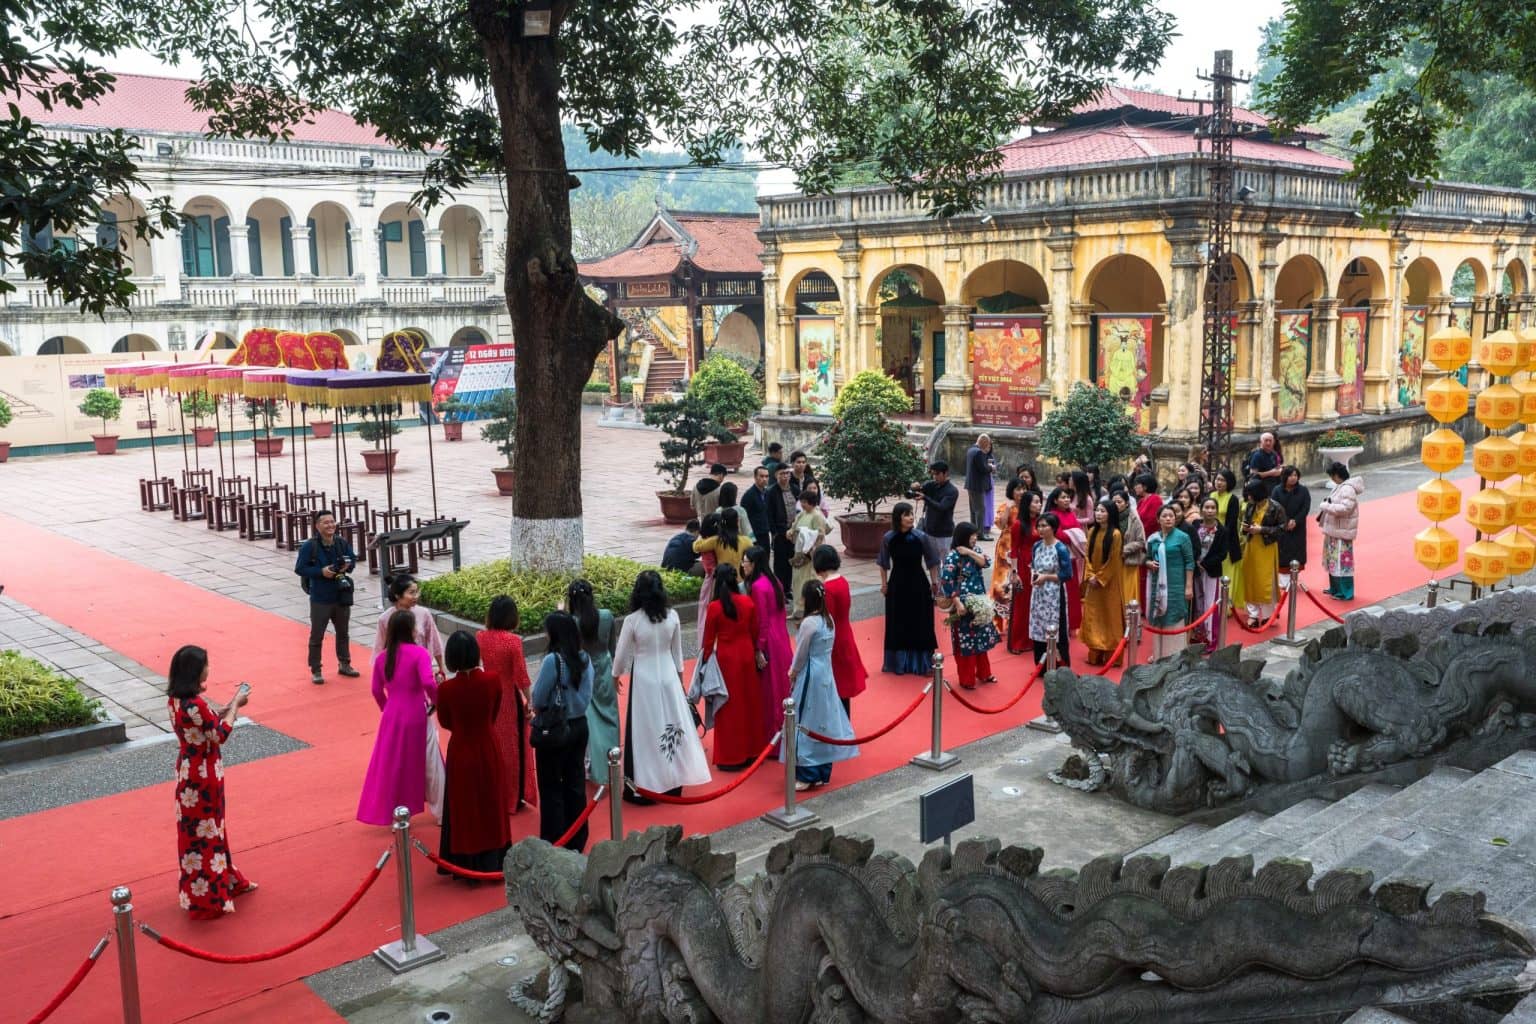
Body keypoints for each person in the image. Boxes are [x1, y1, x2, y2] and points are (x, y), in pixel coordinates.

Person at [167, 645, 253, 919]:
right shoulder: (196, 704)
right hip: (204, 775)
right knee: (209, 831)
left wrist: (224, 709)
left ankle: (221, 880)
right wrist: (236, 707)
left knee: (203, 832)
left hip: (188, 771)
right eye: (206, 663)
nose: (208, 668)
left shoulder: (177, 701)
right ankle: (211, 892)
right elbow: (219, 735)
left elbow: (202, 725)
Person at [613, 571, 710, 803]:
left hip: (644, 681)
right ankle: (673, 781)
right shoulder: (672, 616)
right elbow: (677, 655)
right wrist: (679, 682)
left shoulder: (633, 620)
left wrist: (615, 675)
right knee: (672, 726)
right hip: (668, 677)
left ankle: (646, 784)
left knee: (646, 732)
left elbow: (621, 656)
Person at [434, 630, 510, 877]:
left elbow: (445, 721)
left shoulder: (446, 689)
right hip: (488, 745)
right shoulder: (492, 680)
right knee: (491, 800)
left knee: (464, 806)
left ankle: (466, 860)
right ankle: (494, 857)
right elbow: (494, 711)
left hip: (461, 749)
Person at [358, 609, 440, 826]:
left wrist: (387, 708)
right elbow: (428, 682)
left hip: (392, 716)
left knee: (393, 765)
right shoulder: (419, 653)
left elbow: (376, 690)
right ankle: (441, 811)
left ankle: (396, 812)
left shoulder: (383, 657)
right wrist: (437, 701)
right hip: (416, 714)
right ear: (411, 629)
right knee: (432, 761)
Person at [785, 579, 858, 790]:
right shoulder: (829, 620)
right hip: (826, 672)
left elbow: (801, 653)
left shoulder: (809, 623)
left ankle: (807, 772)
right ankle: (821, 771)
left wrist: (793, 672)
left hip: (810, 673)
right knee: (823, 721)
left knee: (805, 719)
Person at [530, 612, 593, 849]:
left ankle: (554, 837)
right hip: (580, 724)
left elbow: (538, 697)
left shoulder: (553, 661)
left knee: (551, 784)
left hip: (556, 728)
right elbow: (588, 693)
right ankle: (577, 835)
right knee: (575, 781)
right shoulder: (584, 658)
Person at [699, 564, 766, 769]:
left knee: (728, 708)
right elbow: (755, 631)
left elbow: (708, 641)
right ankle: (752, 750)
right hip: (745, 654)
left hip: (726, 659)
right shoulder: (747, 602)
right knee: (750, 703)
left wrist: (704, 664)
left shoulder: (715, 607)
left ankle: (731, 755)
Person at [477, 596, 536, 813]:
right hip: (509, 699)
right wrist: (530, 701)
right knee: (512, 747)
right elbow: (521, 676)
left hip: (488, 697)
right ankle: (513, 796)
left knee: (493, 744)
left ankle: (495, 794)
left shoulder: (481, 637)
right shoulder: (513, 641)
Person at [295, 509, 359, 685]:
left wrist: (347, 566)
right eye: (326, 522)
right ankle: (316, 669)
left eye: (332, 522)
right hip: (320, 597)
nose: (330, 525)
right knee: (317, 635)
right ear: (317, 526)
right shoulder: (310, 546)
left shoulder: (341, 542)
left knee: (343, 632)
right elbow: (300, 569)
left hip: (341, 595)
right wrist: (321, 572)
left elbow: (353, 559)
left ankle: (345, 664)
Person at [877, 501, 940, 674]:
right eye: (906, 514)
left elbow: (933, 561)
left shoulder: (921, 537)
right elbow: (882, 563)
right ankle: (897, 663)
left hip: (919, 584)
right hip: (896, 585)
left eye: (911, 514)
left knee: (921, 622)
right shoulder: (888, 538)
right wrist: (884, 584)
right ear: (898, 517)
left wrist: (935, 583)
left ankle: (924, 664)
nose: (911, 517)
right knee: (898, 622)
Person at [566, 579, 618, 785]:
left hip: (582, 672)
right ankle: (611, 761)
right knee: (609, 716)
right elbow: (612, 648)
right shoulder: (606, 616)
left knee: (589, 721)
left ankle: (592, 765)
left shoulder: (572, 622)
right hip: (604, 667)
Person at [939, 523, 1001, 688]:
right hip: (963, 605)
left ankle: (984, 673)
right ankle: (967, 679)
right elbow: (946, 581)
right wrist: (957, 603)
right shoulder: (952, 557)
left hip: (979, 603)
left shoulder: (976, 551)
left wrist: (970, 552)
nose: (974, 538)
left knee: (981, 639)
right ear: (962, 536)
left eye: (975, 535)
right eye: (971, 535)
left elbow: (986, 563)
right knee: (965, 642)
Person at [743, 545, 794, 740]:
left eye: (745, 561)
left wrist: (759, 649)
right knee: (782, 686)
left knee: (770, 691)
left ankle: (772, 735)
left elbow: (761, 621)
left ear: (754, 564)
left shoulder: (756, 587)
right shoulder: (775, 582)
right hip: (781, 636)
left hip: (769, 640)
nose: (743, 565)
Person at [813, 545, 867, 712]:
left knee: (836, 682)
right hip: (845, 633)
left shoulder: (828, 588)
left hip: (834, 638)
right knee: (843, 683)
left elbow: (827, 619)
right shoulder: (842, 581)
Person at [1146, 504, 1196, 661]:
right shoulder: (1153, 538)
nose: (1168, 519)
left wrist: (1188, 586)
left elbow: (1190, 562)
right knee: (1158, 616)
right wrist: (1148, 563)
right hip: (1157, 584)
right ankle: (1159, 654)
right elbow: (1147, 557)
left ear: (1176, 518)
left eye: (1171, 516)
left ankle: (1174, 656)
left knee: (1173, 615)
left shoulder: (1182, 537)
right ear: (1158, 519)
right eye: (1164, 516)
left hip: (1176, 584)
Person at [373, 574, 446, 679]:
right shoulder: (384, 619)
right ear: (398, 595)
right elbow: (380, 648)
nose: (416, 596)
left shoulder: (424, 613)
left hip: (422, 669)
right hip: (397, 671)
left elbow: (434, 641)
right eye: (411, 593)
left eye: (416, 592)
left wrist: (441, 669)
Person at [1080, 501, 1125, 667]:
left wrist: (1099, 578)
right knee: (1093, 615)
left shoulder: (1115, 535)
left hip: (1109, 583)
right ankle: (1095, 654)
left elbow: (1114, 561)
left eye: (1102, 511)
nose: (1098, 514)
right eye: (1097, 510)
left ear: (1110, 514)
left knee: (1109, 616)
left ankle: (1111, 656)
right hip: (1093, 582)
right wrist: (1091, 575)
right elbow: (1087, 556)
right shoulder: (1092, 531)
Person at [1240, 477, 1286, 628]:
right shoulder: (1250, 506)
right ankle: (1252, 614)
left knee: (1266, 582)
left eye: (1250, 493)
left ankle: (1267, 615)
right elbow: (1246, 523)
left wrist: (1262, 530)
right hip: (1252, 545)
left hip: (1267, 547)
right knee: (1250, 579)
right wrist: (1246, 528)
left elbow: (1282, 528)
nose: (1248, 497)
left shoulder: (1275, 507)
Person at [1028, 513, 1072, 668]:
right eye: (1039, 526)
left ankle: (1060, 665)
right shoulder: (1037, 546)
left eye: (1044, 526)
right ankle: (1041, 665)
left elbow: (1067, 574)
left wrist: (1046, 577)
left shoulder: (1060, 548)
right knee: (1038, 625)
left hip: (1054, 593)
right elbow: (1033, 565)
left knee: (1055, 627)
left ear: (1053, 528)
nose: (1041, 529)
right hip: (1038, 593)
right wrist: (1034, 575)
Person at [1318, 462, 1363, 600]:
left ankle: (1344, 592)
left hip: (1341, 531)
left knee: (1342, 563)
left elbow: (1345, 509)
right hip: (1336, 529)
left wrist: (1326, 506)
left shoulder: (1347, 489)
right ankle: (1336, 588)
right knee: (1334, 561)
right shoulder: (1342, 487)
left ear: (1337, 475)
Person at [1006, 490, 1044, 655]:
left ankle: (1033, 639)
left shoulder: (1041, 522)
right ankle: (1017, 642)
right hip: (1023, 565)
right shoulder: (1018, 524)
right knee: (1022, 604)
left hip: (1040, 563)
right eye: (1035, 502)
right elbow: (1014, 549)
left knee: (1035, 603)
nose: (1039, 505)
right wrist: (1014, 572)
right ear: (1027, 504)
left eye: (1040, 502)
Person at [1046, 486, 1086, 632]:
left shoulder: (1071, 514)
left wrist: (1071, 535)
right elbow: (1056, 533)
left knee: (1072, 589)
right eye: (1063, 497)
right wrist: (1071, 535)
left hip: (1071, 556)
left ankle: (1072, 622)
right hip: (1057, 555)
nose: (1067, 500)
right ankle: (1058, 622)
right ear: (1055, 500)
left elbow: (1078, 530)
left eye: (1068, 497)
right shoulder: (1051, 514)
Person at [1194, 497, 1231, 650]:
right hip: (1195, 570)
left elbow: (1223, 554)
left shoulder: (1222, 531)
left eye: (1212, 508)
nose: (1209, 511)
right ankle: (1198, 635)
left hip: (1211, 571)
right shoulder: (1195, 525)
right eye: (1206, 507)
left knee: (1210, 604)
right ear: (1201, 509)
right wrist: (1195, 562)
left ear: (1216, 510)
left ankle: (1211, 639)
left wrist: (1204, 564)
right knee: (1198, 603)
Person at [789, 491, 830, 618]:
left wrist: (812, 549)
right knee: (796, 581)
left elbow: (820, 534)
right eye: (801, 502)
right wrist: (790, 532)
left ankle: (809, 608)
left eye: (804, 502)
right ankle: (797, 609)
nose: (802, 504)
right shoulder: (801, 514)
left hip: (810, 553)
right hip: (799, 551)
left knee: (808, 581)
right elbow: (793, 527)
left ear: (811, 502)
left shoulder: (817, 516)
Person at [990, 480, 1022, 632]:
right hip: (1005, 547)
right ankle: (998, 622)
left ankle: (1014, 621)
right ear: (1011, 491)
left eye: (1023, 489)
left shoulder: (1028, 507)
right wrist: (1008, 510)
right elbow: (1001, 526)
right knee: (1001, 584)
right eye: (1018, 489)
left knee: (1017, 583)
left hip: (1021, 546)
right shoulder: (1005, 506)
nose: (1021, 492)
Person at [1212, 468, 1246, 611]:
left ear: (1229, 483)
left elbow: (1231, 523)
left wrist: (1219, 536)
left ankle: (1226, 605)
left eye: (1222, 480)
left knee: (1226, 574)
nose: (1219, 483)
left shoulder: (1232, 499)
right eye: (1217, 479)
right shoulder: (1211, 495)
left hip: (1226, 541)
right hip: (1210, 539)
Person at [1110, 489, 1147, 622]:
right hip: (1112, 564)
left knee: (1129, 596)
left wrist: (1123, 549)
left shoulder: (1134, 519)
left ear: (1126, 503)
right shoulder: (1109, 518)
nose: (1116, 505)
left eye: (1119, 502)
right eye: (1114, 502)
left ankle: (1132, 628)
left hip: (1129, 564)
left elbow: (1141, 541)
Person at [915, 460, 959, 566]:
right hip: (930, 530)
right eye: (933, 474)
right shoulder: (931, 485)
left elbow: (942, 507)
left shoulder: (952, 491)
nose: (935, 477)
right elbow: (917, 491)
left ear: (946, 473)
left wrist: (925, 498)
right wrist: (914, 488)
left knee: (947, 563)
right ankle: (936, 582)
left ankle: (946, 583)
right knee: (933, 562)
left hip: (944, 532)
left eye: (937, 474)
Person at [1271, 466, 1311, 572]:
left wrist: (1296, 521)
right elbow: (1275, 508)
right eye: (1290, 475)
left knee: (1298, 550)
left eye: (1295, 475)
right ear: (1284, 476)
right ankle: (1283, 577)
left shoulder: (1303, 490)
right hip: (1282, 526)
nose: (1293, 478)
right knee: (1283, 550)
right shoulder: (1277, 490)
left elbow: (1305, 508)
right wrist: (1286, 521)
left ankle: (1296, 575)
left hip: (1298, 526)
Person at [766, 463, 797, 597]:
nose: (785, 476)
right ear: (776, 476)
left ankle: (788, 588)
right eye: (781, 474)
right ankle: (780, 590)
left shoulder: (795, 489)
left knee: (791, 561)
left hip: (794, 532)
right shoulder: (771, 492)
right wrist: (775, 532)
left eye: (787, 473)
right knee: (780, 563)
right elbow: (769, 514)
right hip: (780, 533)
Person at [964, 434, 996, 538]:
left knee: (973, 510)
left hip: (970, 484)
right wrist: (991, 468)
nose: (988, 447)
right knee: (980, 510)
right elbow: (983, 469)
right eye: (987, 445)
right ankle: (980, 533)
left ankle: (973, 531)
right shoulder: (978, 452)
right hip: (977, 485)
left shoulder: (971, 450)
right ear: (984, 442)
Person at [741, 465, 772, 546]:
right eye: (761, 476)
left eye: (766, 476)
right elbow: (744, 517)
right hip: (754, 535)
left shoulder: (767, 493)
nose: (764, 479)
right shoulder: (749, 495)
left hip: (765, 532)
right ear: (755, 477)